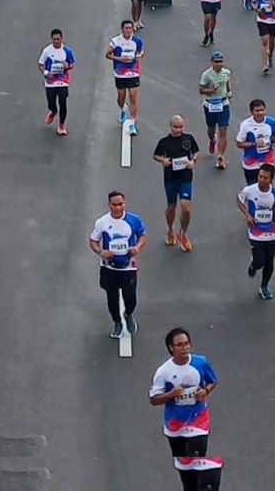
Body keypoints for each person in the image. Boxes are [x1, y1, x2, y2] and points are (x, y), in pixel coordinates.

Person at [147, 328, 223, 491]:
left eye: (186, 344)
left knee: (197, 457)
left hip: (198, 419)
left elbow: (213, 380)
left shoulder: (200, 362)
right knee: (186, 468)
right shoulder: (163, 372)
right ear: (171, 348)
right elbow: (154, 400)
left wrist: (206, 391)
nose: (184, 348)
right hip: (175, 425)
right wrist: (171, 394)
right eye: (179, 345)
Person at [91, 191, 146, 338]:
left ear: (124, 203)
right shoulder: (102, 222)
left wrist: (137, 247)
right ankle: (117, 322)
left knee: (131, 299)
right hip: (109, 268)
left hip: (128, 268)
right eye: (114, 205)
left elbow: (142, 235)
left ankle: (128, 314)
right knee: (112, 300)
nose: (117, 207)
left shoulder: (133, 220)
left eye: (120, 204)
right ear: (109, 205)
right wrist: (101, 252)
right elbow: (93, 241)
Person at [238, 163, 275, 299]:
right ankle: (254, 264)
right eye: (260, 176)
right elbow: (239, 200)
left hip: (273, 232)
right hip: (256, 232)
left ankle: (264, 286)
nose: (261, 180)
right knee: (260, 261)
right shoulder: (249, 190)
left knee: (270, 262)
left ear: (271, 179)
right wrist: (247, 215)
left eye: (265, 178)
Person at [155, 116, 200, 251]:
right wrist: (163, 160)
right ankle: (170, 230)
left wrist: (193, 161)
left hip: (185, 178)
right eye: (176, 127)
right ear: (170, 126)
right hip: (170, 178)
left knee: (186, 208)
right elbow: (156, 155)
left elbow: (196, 152)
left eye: (181, 127)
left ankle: (183, 234)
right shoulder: (164, 142)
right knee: (171, 207)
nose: (178, 130)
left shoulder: (189, 139)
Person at [109, 21, 145, 136]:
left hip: (133, 72)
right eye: (126, 28)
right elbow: (107, 54)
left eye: (130, 28)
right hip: (120, 73)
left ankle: (132, 123)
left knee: (133, 97)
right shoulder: (116, 41)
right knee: (121, 97)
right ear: (122, 29)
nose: (129, 30)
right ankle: (123, 108)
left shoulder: (137, 40)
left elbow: (141, 50)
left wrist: (140, 55)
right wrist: (119, 58)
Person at [198, 51, 233, 169]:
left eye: (221, 61)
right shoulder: (206, 74)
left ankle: (221, 157)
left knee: (223, 129)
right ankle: (213, 140)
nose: (219, 64)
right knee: (211, 129)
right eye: (216, 62)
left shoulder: (227, 72)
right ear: (212, 62)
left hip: (223, 104)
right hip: (210, 105)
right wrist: (211, 89)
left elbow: (228, 83)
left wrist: (229, 91)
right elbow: (201, 90)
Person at [38, 28, 75, 136]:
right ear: (51, 39)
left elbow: (72, 64)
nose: (56, 41)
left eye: (58, 39)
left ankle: (62, 125)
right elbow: (40, 64)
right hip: (50, 81)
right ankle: (53, 111)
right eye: (54, 39)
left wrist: (67, 66)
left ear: (61, 39)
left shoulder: (67, 50)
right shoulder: (47, 51)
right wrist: (46, 73)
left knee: (63, 101)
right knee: (51, 101)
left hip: (63, 80)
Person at [235, 99, 275, 185]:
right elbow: (239, 144)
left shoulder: (271, 122)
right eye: (257, 111)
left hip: (267, 160)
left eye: (262, 110)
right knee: (253, 189)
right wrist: (254, 144)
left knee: (267, 188)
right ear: (252, 112)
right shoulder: (246, 125)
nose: (260, 113)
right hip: (251, 162)